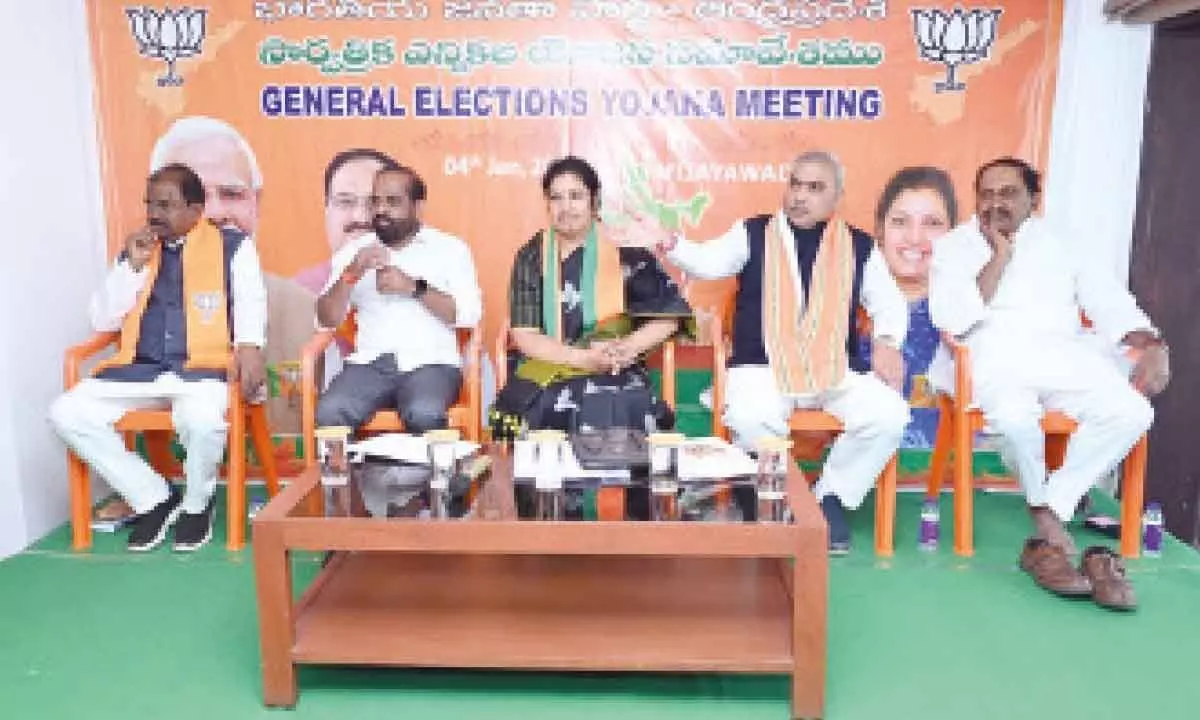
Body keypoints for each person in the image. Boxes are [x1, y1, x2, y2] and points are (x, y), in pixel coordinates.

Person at [615, 150, 910, 553]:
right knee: (752, 416)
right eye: (795, 184)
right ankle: (778, 495)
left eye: (814, 187)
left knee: (889, 414)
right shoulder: (753, 232)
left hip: (832, 368)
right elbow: (708, 262)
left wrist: (888, 342)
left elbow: (889, 303)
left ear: (836, 197)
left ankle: (830, 498)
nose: (800, 196)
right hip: (764, 367)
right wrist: (667, 240)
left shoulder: (859, 246)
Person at [929, 157, 1168, 608]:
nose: (995, 203)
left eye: (1008, 193)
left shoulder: (1065, 242)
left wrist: (1152, 343)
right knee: (1016, 420)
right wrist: (999, 256)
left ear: (1034, 199)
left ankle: (1052, 505)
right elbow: (953, 320)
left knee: (1133, 411)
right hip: (989, 353)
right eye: (987, 194)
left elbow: (1110, 303)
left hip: (1062, 353)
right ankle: (1046, 516)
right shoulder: (956, 246)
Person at [49, 164, 267, 552]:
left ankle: (198, 505)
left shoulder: (232, 246)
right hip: (140, 370)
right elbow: (102, 319)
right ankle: (153, 496)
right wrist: (131, 266)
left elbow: (250, 304)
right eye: (150, 203)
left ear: (196, 210)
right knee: (66, 412)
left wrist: (250, 346)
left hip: (203, 370)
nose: (154, 214)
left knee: (200, 421)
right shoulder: (139, 249)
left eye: (166, 205)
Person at [489, 156, 692, 439]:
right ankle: (547, 482)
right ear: (546, 204)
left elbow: (667, 318)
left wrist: (628, 347)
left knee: (618, 400)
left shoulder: (626, 249)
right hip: (546, 367)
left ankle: (618, 480)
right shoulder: (531, 256)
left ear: (594, 201)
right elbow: (525, 335)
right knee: (536, 405)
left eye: (576, 196)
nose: (566, 207)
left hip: (614, 368)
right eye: (556, 198)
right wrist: (582, 359)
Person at [149, 115, 313, 434]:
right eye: (193, 199)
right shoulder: (135, 304)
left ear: (257, 204)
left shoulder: (305, 312)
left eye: (232, 194)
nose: (215, 213)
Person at [315, 165, 482, 440]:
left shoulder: (450, 250)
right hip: (370, 365)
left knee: (424, 412)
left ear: (418, 207)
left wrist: (414, 288)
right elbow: (326, 319)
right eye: (376, 201)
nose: (381, 210)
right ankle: (348, 482)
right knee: (331, 411)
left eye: (392, 202)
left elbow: (467, 315)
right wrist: (352, 274)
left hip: (431, 364)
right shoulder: (355, 252)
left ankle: (429, 483)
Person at [858, 166, 959, 448]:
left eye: (932, 223)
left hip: (955, 479)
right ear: (879, 230)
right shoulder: (843, 308)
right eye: (900, 222)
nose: (915, 238)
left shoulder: (970, 312)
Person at [295, 148, 402, 295]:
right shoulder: (299, 293)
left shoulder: (428, 285)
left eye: (374, 202)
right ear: (327, 211)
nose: (361, 217)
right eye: (345, 201)